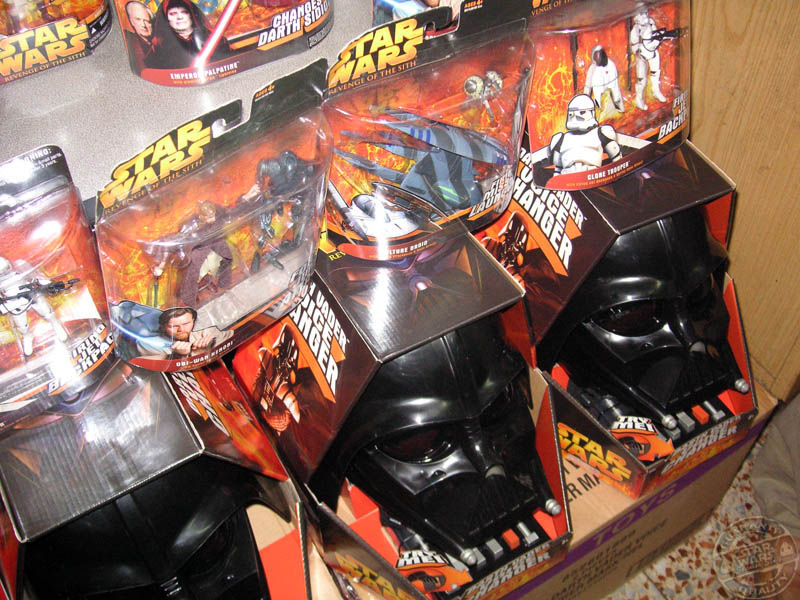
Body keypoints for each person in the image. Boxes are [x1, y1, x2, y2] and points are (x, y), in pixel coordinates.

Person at [145, 0, 231, 70]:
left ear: (192, 14)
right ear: (165, 18)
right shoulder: (159, 47)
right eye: (173, 13)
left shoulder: (215, 40)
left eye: (184, 12)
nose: (179, 17)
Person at [548, 93, 621, 173]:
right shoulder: (560, 139)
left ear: (592, 113)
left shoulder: (602, 133)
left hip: (594, 177)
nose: (576, 117)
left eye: (582, 112)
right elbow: (557, 170)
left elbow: (618, 161)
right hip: (568, 178)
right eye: (572, 114)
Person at [139, 306, 231, 359]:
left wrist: (214, 342)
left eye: (186, 324)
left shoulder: (206, 332)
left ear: (193, 321)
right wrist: (177, 355)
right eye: (174, 326)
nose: (181, 329)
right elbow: (154, 367)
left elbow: (231, 337)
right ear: (163, 327)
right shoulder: (148, 343)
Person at [630, 4, 667, 110]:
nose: (644, 15)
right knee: (641, 79)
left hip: (652, 50)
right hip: (642, 54)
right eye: (641, 13)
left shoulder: (650, 22)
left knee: (655, 72)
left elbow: (655, 33)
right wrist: (637, 50)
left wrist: (659, 36)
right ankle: (639, 99)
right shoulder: (636, 29)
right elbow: (633, 42)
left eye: (645, 12)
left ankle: (656, 91)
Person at [584, 45, 624, 113]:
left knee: (616, 100)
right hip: (599, 96)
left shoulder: (611, 65)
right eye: (596, 56)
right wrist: (585, 100)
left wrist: (615, 100)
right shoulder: (592, 69)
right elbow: (588, 86)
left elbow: (614, 87)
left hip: (611, 95)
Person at [123, 1, 154, 71]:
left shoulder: (160, 41)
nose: (143, 25)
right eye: (138, 20)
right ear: (131, 21)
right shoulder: (131, 41)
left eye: (147, 21)